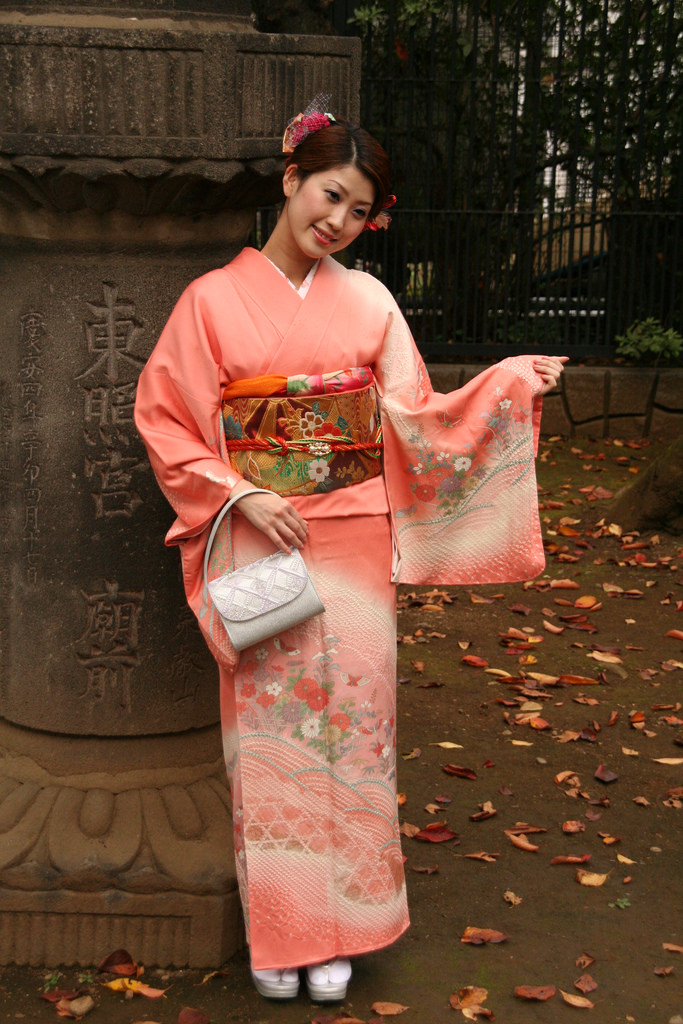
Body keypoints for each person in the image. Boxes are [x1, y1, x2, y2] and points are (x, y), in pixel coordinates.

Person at [134, 96, 567, 1003]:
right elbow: (168, 420)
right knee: (268, 736)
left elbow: (416, 421)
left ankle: (349, 926)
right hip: (257, 540)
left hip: (356, 541)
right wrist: (242, 488)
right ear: (290, 181)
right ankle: (283, 929)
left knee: (359, 732)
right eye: (328, 196)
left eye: (357, 211)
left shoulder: (369, 301)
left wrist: (503, 386)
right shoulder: (209, 302)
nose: (337, 221)